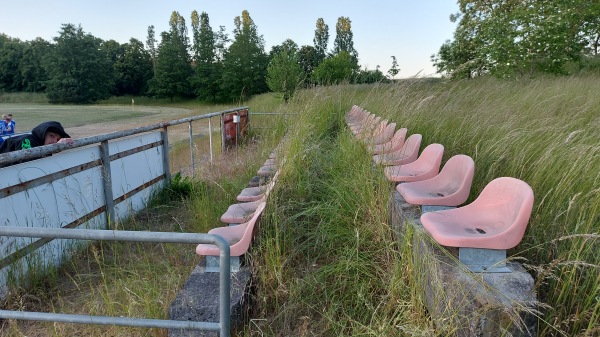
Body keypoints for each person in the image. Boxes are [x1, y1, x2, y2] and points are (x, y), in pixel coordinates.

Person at [0, 121, 73, 154]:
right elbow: (29, 164)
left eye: (57, 139)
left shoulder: (42, 147)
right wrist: (57, 146)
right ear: (43, 133)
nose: (55, 141)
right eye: (51, 136)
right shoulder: (27, 140)